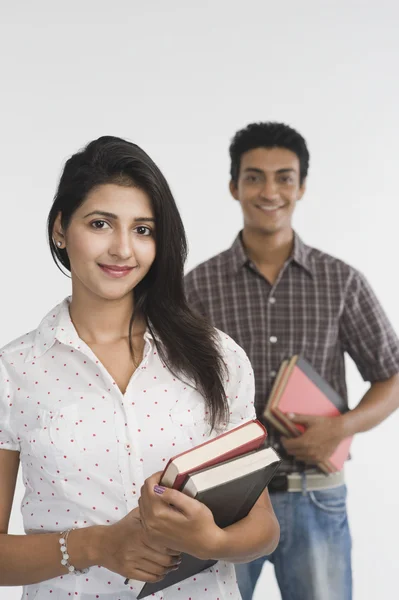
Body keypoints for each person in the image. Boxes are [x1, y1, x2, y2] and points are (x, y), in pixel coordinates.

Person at [0, 135, 280, 600]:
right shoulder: (14, 372)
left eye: (143, 230)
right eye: (101, 224)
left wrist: (213, 541)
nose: (122, 249)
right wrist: (95, 545)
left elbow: (264, 526)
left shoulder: (217, 357)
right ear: (60, 229)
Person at [184, 121, 399, 600]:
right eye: (255, 176)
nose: (270, 190)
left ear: (301, 185)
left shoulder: (340, 281)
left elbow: (393, 376)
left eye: (284, 177)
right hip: (226, 499)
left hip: (314, 494)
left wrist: (341, 427)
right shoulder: (196, 286)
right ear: (234, 186)